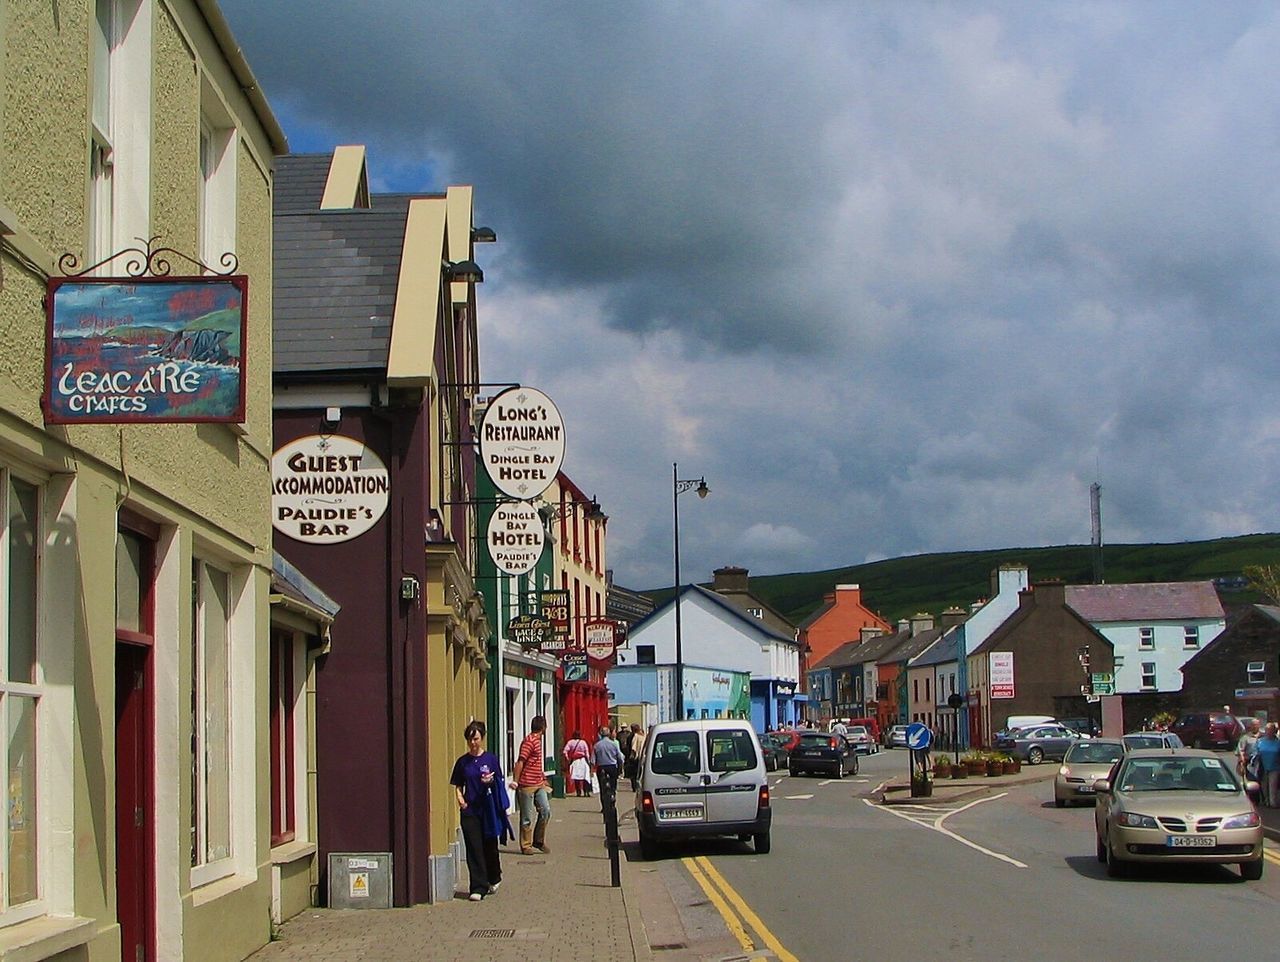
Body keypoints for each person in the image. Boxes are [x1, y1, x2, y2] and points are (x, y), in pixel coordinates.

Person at [450, 720, 512, 901]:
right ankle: (477, 887)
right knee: (474, 847)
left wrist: (490, 781)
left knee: (489, 846)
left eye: (476, 739)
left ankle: (494, 875)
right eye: (470, 739)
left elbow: (499, 781)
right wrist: (461, 800)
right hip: (470, 810)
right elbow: (457, 785)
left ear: (482, 738)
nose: (473, 743)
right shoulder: (463, 762)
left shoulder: (490, 759)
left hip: (488, 809)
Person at [513, 715, 552, 855]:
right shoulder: (529, 742)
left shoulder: (538, 742)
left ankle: (538, 840)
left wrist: (542, 777)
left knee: (545, 811)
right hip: (526, 785)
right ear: (543, 728)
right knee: (527, 817)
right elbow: (521, 761)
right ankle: (526, 845)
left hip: (538, 783)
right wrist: (515, 781)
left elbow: (535, 763)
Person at [593, 724, 626, 806]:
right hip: (612, 766)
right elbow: (620, 758)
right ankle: (612, 799)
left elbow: (592, 760)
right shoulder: (614, 744)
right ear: (608, 734)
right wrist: (620, 767)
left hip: (601, 767)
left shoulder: (597, 745)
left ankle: (604, 805)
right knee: (613, 785)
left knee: (602, 787)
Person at [1253, 722, 1280, 807]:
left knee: (1273, 786)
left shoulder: (1278, 742)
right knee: (1263, 786)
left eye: (1270, 730)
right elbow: (1255, 753)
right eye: (1267, 730)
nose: (1268, 732)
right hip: (1262, 767)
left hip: (1275, 767)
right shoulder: (1260, 741)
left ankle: (1273, 802)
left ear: (1274, 731)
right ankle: (1266, 801)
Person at [563, 730, 592, 797]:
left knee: (576, 776)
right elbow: (587, 753)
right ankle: (586, 792)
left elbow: (565, 751)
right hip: (583, 760)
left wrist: (568, 758)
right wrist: (588, 761)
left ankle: (578, 791)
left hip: (575, 760)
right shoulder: (583, 742)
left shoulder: (570, 742)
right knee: (585, 776)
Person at [626, 723, 647, 792]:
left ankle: (635, 786)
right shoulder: (644, 736)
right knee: (640, 771)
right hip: (642, 756)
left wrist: (631, 756)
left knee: (634, 773)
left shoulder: (633, 736)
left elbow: (633, 747)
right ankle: (638, 785)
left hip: (635, 757)